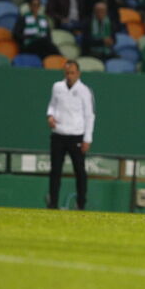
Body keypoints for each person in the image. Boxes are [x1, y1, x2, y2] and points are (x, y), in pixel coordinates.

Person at [45, 60, 95, 210]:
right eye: (67, 73)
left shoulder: (85, 91)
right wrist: (50, 116)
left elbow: (90, 115)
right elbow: (52, 105)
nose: (70, 76)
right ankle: (53, 202)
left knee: (80, 171)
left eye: (72, 73)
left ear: (78, 73)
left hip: (76, 136)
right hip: (58, 135)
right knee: (55, 170)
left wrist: (87, 138)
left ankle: (81, 204)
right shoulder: (57, 87)